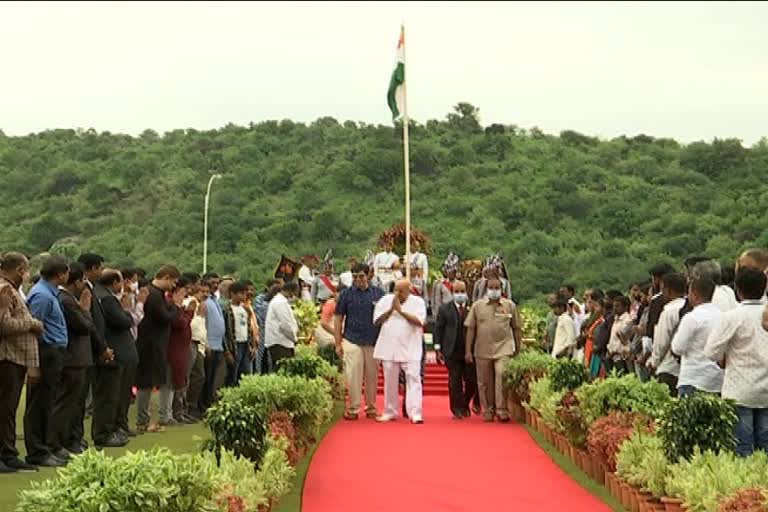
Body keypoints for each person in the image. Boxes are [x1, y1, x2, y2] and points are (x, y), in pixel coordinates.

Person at [705, 269, 768, 456]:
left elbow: (711, 351)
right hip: (766, 391)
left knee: (743, 447)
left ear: (737, 290)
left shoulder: (733, 316)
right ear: (765, 287)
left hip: (740, 390)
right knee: (766, 447)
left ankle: (749, 484)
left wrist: (724, 359)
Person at [56, 264, 112, 456]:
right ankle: (62, 441)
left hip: (81, 358)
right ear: (77, 281)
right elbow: (84, 326)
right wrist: (85, 310)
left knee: (77, 404)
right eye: (83, 282)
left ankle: (74, 439)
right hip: (73, 359)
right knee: (68, 404)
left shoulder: (71, 299)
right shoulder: (66, 300)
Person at [24, 256, 70, 466]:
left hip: (54, 352)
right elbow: (34, 328)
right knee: (40, 403)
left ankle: (46, 445)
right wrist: (34, 363)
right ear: (60, 274)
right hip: (46, 352)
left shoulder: (51, 293)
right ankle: (37, 451)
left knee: (48, 401)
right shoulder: (42, 295)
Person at [0, 253, 43, 473]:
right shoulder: (4, 289)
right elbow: (4, 325)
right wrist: (31, 323)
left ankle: (8, 453)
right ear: (19, 269)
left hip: (17, 357)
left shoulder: (12, 289)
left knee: (8, 409)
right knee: (5, 408)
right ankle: (4, 454)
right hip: (8, 356)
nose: (27, 275)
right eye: (26, 270)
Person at [465, 278, 522, 422]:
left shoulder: (510, 306)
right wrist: (468, 351)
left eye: (497, 287)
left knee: (501, 375)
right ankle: (488, 409)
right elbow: (471, 329)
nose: (494, 290)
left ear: (501, 289)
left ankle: (502, 409)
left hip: (504, 348)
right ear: (486, 289)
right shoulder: (477, 306)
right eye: (491, 287)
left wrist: (518, 347)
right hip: (482, 349)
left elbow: (516, 328)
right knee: (484, 382)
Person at [334, 263, 385, 421]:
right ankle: (354, 408)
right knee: (353, 375)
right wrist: (338, 342)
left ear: (368, 275)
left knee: (372, 375)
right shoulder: (346, 295)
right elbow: (338, 319)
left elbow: (384, 319)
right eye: (355, 277)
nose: (358, 280)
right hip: (352, 339)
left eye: (361, 276)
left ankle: (371, 407)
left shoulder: (378, 293)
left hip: (372, 340)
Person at [135, 265, 182, 433]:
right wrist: (176, 306)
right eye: (174, 282)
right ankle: (144, 420)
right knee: (146, 383)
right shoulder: (152, 294)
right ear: (166, 277)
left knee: (152, 382)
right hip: (149, 344)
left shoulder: (158, 294)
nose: (174, 286)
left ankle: (149, 420)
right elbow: (164, 317)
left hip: (156, 344)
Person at [373, 279, 427, 424]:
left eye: (401, 291)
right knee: (389, 380)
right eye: (396, 290)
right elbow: (377, 321)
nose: (397, 293)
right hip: (389, 347)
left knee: (414, 379)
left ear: (409, 290)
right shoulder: (385, 300)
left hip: (411, 347)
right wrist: (391, 310)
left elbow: (419, 322)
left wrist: (400, 311)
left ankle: (415, 413)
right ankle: (390, 411)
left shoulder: (418, 302)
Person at [92, 269, 135, 447]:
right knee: (109, 397)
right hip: (113, 353)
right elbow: (123, 321)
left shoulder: (102, 295)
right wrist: (126, 311)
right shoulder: (106, 298)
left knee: (115, 396)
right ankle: (105, 432)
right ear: (115, 282)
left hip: (115, 352)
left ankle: (114, 428)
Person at [670, 277, 723, 398]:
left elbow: (677, 348)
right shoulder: (722, 315)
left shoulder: (692, 317)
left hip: (693, 378)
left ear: (695, 294)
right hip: (717, 379)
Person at [434, 280, 476, 419]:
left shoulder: (473, 308)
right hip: (451, 350)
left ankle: (465, 403)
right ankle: (456, 409)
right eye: (457, 292)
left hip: (469, 351)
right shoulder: (444, 309)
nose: (460, 294)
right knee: (455, 381)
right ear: (452, 293)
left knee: (471, 380)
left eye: (462, 291)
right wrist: (437, 348)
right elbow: (438, 329)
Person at [647, 273, 687, 396]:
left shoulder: (669, 311)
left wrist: (654, 362)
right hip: (684, 368)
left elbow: (661, 342)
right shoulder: (690, 306)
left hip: (668, 367)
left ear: (668, 290)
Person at [167, 276, 197, 423]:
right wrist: (187, 312)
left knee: (184, 379)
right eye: (186, 289)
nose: (188, 292)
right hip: (175, 346)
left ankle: (181, 411)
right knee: (177, 379)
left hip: (183, 346)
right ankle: (174, 412)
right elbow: (180, 323)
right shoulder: (171, 304)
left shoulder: (179, 305)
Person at [202, 273, 227, 410]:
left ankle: (210, 403)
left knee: (214, 378)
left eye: (217, 282)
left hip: (218, 344)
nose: (215, 285)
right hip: (209, 345)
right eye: (212, 282)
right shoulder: (204, 301)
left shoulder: (214, 299)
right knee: (206, 378)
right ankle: (203, 405)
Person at [224, 281, 256, 385]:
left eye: (245, 293)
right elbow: (225, 332)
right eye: (241, 293)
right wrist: (227, 351)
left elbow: (249, 329)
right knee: (232, 375)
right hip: (234, 345)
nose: (244, 296)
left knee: (245, 374)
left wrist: (252, 345)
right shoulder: (227, 310)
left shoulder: (245, 309)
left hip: (245, 344)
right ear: (233, 294)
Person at [185, 282, 208, 420]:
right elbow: (191, 326)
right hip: (192, 343)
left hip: (200, 345)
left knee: (199, 376)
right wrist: (199, 316)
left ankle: (192, 407)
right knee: (195, 376)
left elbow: (203, 329)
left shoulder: (201, 305)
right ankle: (188, 407)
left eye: (207, 292)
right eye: (202, 291)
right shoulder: (191, 303)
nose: (205, 294)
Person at [264, 281, 300, 368]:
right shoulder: (280, 302)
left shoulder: (281, 301)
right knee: (283, 369)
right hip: (280, 342)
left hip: (282, 342)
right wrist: (295, 338)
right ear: (291, 291)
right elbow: (285, 324)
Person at [253, 279, 281, 374]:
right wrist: (269, 300)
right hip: (261, 329)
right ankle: (257, 373)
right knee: (259, 355)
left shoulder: (279, 300)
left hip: (273, 332)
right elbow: (261, 314)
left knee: (270, 357)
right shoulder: (259, 298)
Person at [432, 253, 459, 319]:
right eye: (450, 271)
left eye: (454, 271)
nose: (452, 273)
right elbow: (436, 301)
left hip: (456, 314)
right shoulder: (439, 284)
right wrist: (436, 315)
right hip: (443, 314)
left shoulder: (460, 283)